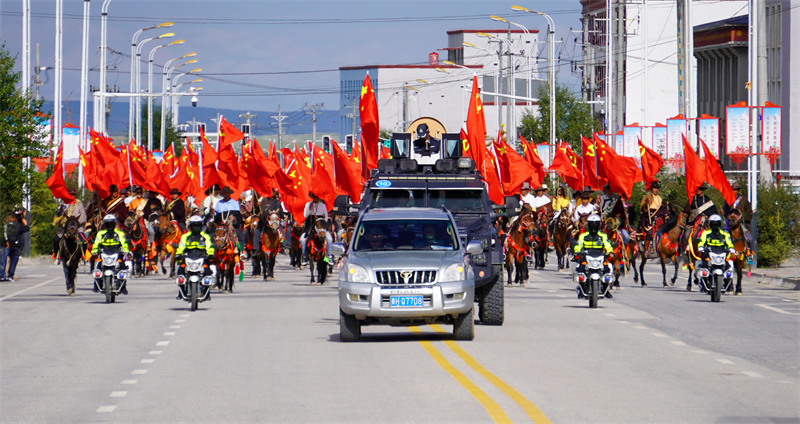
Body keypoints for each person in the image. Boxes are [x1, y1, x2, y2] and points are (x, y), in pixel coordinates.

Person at [573, 214, 614, 299]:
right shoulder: (583, 236)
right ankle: (581, 288)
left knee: (608, 269)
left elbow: (607, 245)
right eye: (592, 224)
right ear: (588, 225)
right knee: (580, 269)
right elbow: (578, 245)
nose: (594, 226)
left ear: (599, 225)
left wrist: (610, 251)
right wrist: (577, 251)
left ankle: (606, 289)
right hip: (586, 257)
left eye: (596, 224)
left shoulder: (603, 236)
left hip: (600, 257)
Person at [697, 214, 739, 294]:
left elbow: (729, 242)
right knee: (704, 265)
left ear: (720, 224)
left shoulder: (725, 234)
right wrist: (701, 247)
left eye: (717, 224)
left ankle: (728, 284)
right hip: (709, 253)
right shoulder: (706, 233)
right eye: (713, 224)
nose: (715, 226)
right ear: (710, 224)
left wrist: (731, 248)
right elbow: (702, 241)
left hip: (721, 253)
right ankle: (703, 282)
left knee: (728, 267)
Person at [90, 214, 130, 294]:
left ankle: (123, 286)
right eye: (107, 224)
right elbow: (96, 243)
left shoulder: (120, 233)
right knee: (98, 266)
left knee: (122, 266)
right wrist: (94, 250)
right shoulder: (101, 233)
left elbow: (124, 243)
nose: (109, 225)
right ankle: (96, 284)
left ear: (114, 224)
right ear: (104, 224)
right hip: (104, 252)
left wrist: (125, 250)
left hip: (116, 252)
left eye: (111, 223)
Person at [174, 215, 216, 288]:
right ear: (190, 226)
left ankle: (206, 290)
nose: (196, 227)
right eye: (194, 225)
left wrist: (210, 254)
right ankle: (181, 291)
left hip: (202, 257)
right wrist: (178, 254)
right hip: (188, 257)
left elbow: (209, 247)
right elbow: (181, 246)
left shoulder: (205, 236)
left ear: (201, 226)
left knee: (208, 272)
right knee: (180, 271)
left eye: (198, 225)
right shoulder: (185, 236)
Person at [52, 186, 87, 260]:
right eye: (71, 194)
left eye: (74, 194)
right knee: (56, 240)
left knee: (84, 241)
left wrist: (77, 223)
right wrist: (60, 209)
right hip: (64, 227)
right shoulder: (63, 204)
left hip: (77, 227)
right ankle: (57, 256)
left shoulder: (79, 203)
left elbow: (83, 215)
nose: (73, 196)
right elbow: (58, 215)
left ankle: (83, 256)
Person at [213, 186, 247, 260]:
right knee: (211, 235)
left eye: (227, 195)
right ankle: (210, 253)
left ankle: (240, 252)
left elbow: (238, 217)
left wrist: (234, 219)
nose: (226, 197)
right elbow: (216, 217)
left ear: (229, 195)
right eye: (224, 195)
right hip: (221, 225)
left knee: (241, 236)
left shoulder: (234, 203)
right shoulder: (219, 203)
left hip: (231, 225)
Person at [723, 181, 753, 253]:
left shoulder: (744, 200)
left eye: (735, 190)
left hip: (741, 224)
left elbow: (749, 213)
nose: (733, 191)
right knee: (722, 238)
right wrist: (725, 213)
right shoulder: (727, 200)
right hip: (729, 223)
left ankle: (750, 253)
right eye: (732, 190)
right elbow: (725, 211)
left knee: (750, 239)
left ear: (738, 191)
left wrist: (740, 215)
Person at [300, 192, 329, 263]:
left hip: (320, 225)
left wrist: (322, 222)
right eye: (314, 197)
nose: (315, 198)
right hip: (310, 225)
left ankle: (329, 256)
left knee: (330, 239)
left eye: (317, 197)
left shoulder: (323, 205)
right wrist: (310, 209)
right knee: (302, 239)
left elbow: (326, 217)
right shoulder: (308, 204)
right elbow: (305, 215)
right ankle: (305, 256)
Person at [3, 208, 30, 282]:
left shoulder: (5, 225)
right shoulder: (18, 225)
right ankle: (10, 276)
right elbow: (27, 227)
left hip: (5, 245)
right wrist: (22, 219)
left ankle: (2, 275)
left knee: (3, 261)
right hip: (15, 246)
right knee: (13, 262)